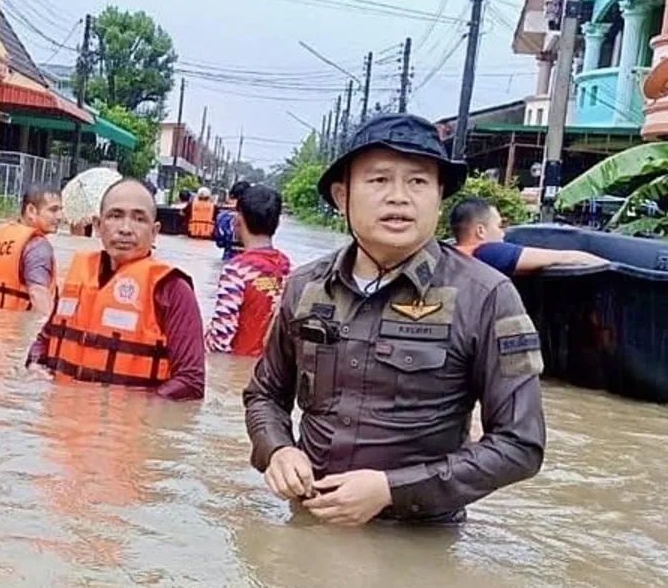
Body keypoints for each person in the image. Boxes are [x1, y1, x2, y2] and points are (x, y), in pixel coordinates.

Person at [244, 113, 545, 526]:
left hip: (418, 542)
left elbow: (520, 445)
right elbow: (263, 395)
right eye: (379, 180)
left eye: (418, 181)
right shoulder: (304, 288)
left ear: (440, 196)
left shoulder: (488, 297)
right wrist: (277, 450)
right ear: (340, 195)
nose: (399, 197)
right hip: (308, 527)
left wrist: (391, 490)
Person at [27, 178, 205, 401]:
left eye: (139, 219)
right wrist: (35, 366)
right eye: (115, 216)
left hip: (128, 429)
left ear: (155, 230)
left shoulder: (172, 289)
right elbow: (43, 341)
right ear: (98, 226)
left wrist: (127, 411)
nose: (125, 229)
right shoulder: (78, 278)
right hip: (62, 424)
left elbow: (191, 382)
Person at [205, 185, 291, 357]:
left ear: (237, 220)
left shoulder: (236, 270)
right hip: (270, 370)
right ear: (278, 223)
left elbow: (220, 339)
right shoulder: (288, 268)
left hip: (237, 364)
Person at [450, 197, 607, 276]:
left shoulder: (451, 255)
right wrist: (611, 266)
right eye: (498, 226)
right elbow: (567, 258)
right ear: (481, 231)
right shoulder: (487, 253)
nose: (502, 233)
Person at [0, 183, 63, 315]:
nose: (59, 217)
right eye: (53, 210)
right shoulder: (38, 245)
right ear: (31, 210)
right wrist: (53, 327)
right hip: (17, 330)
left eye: (60, 210)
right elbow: (38, 294)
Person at [215, 180, 251, 261]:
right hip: (250, 259)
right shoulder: (255, 215)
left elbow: (220, 243)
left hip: (229, 257)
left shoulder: (223, 216)